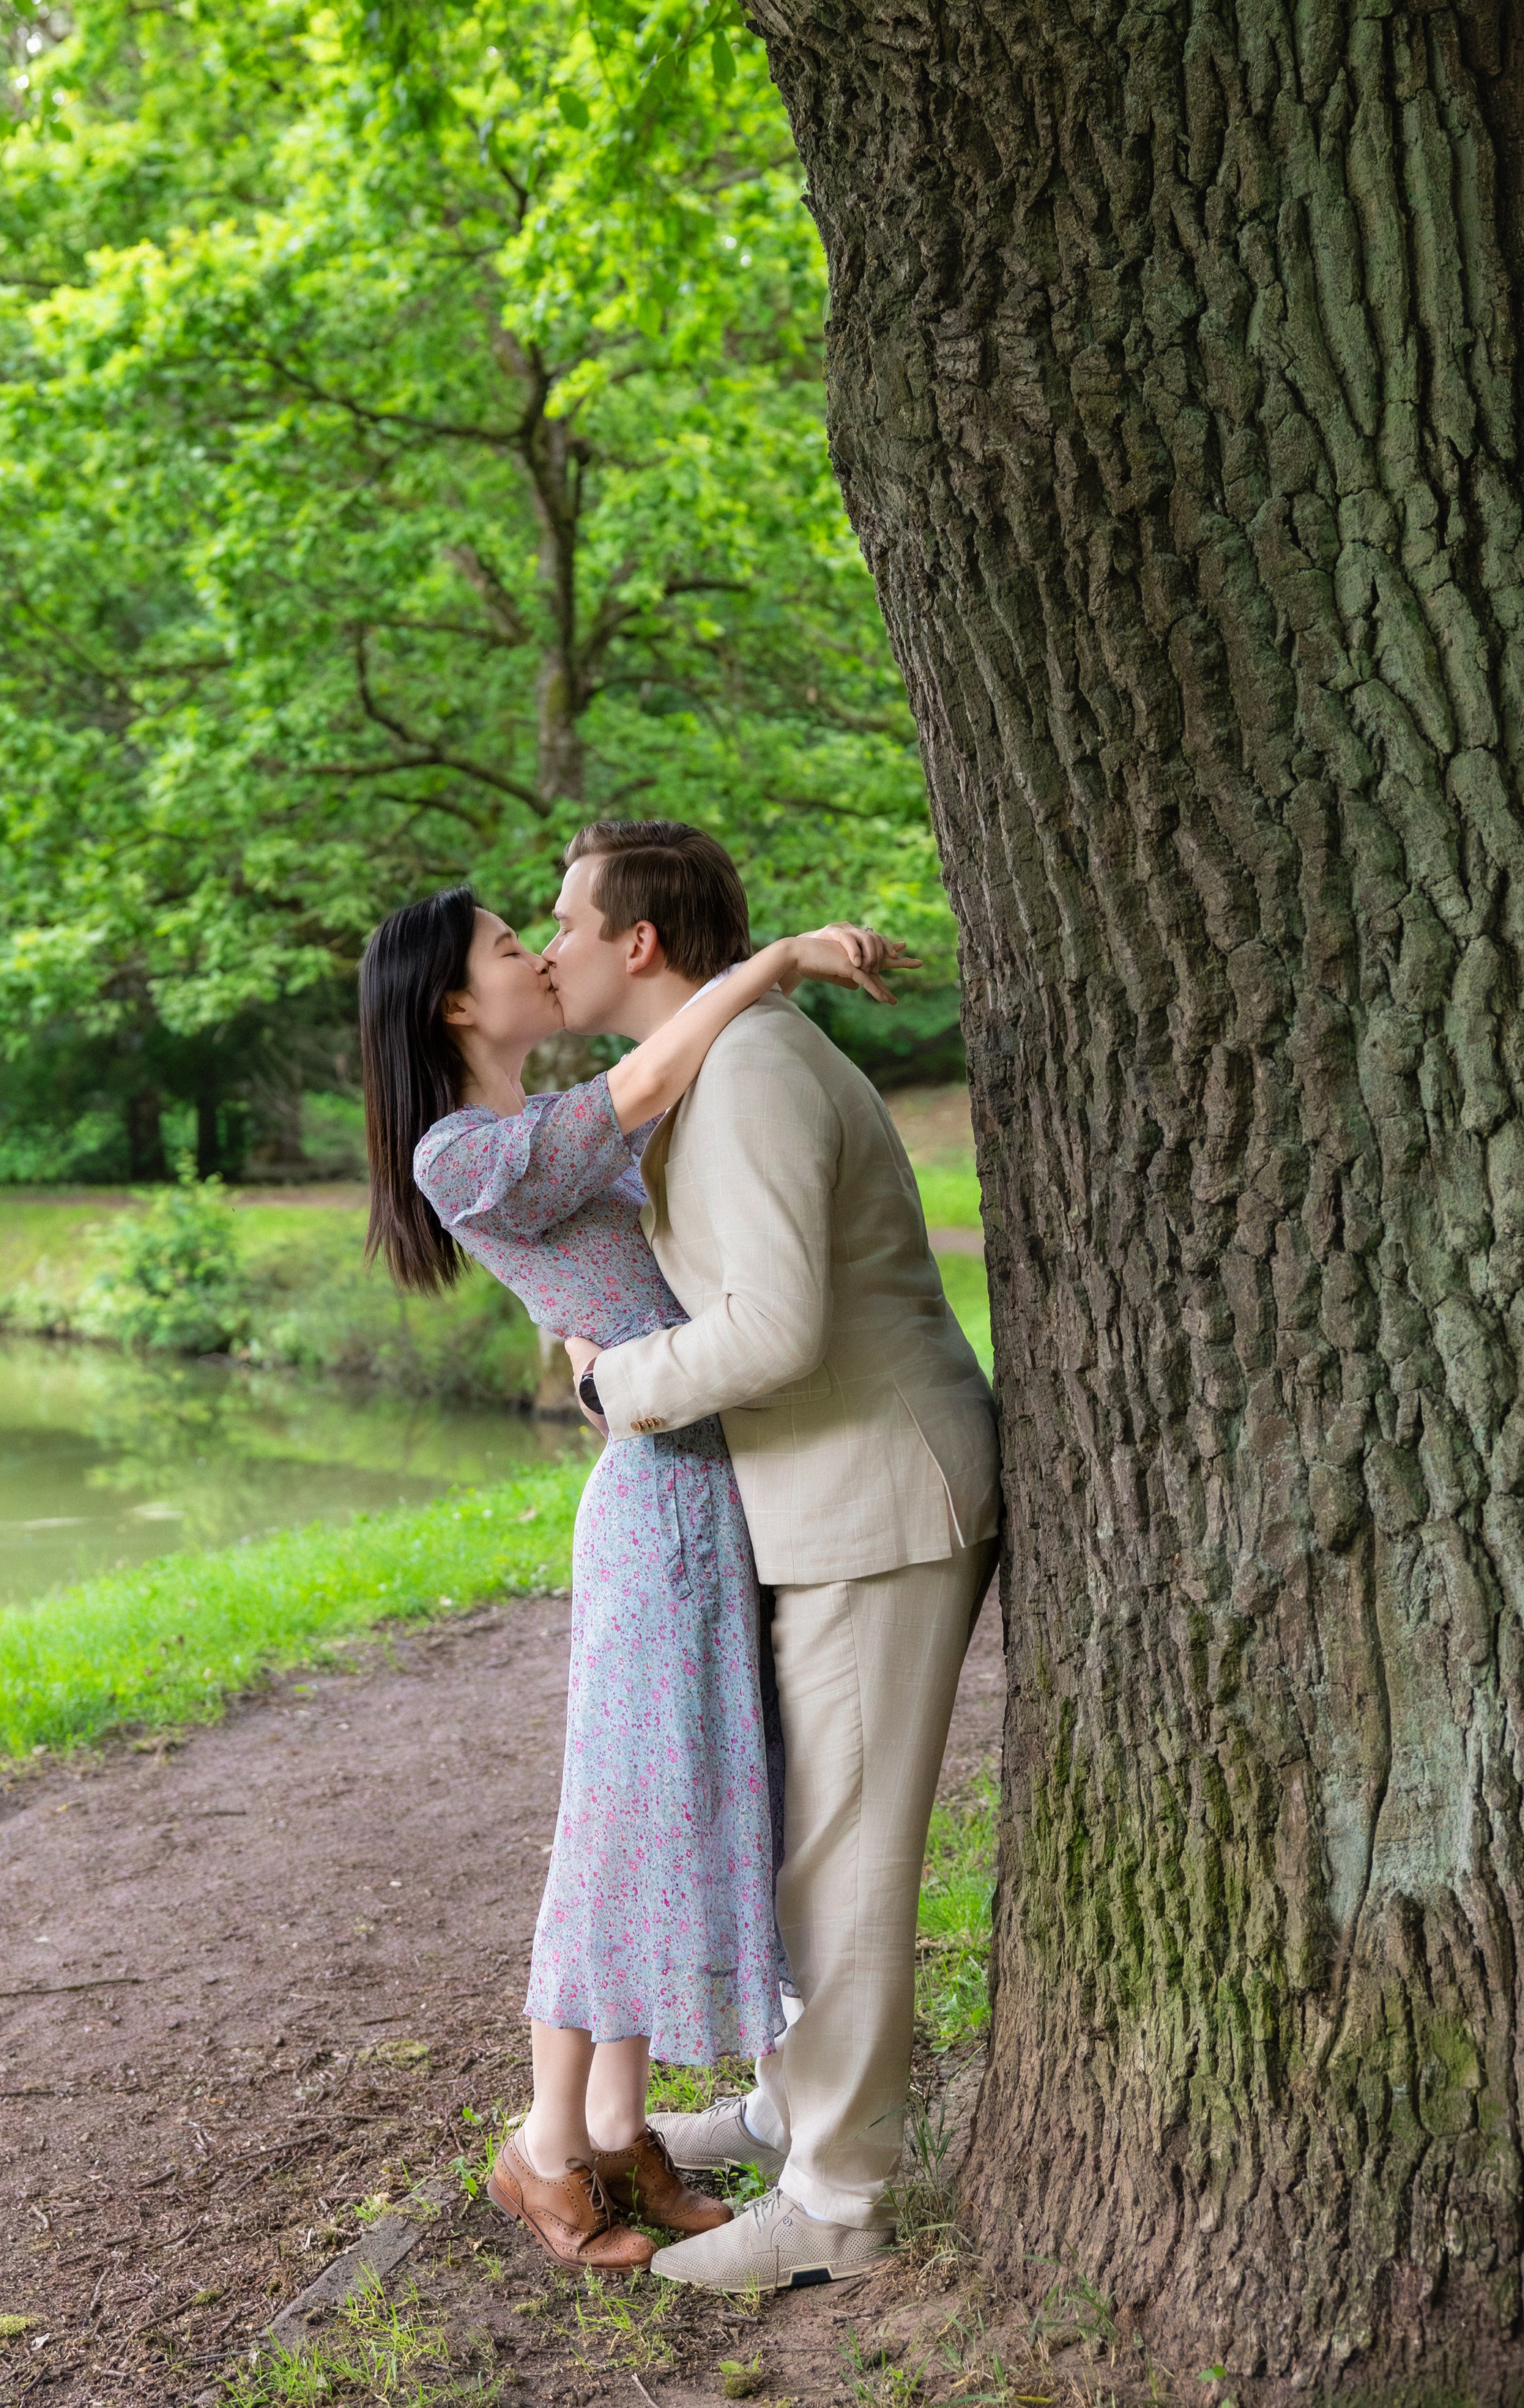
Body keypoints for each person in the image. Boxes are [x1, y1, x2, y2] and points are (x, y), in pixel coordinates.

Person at [359, 877, 912, 2278]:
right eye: (507, 948)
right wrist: (776, 959)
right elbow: (658, 1068)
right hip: (657, 1503)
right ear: (452, 1003)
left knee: (675, 1815)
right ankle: (548, 2151)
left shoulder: (535, 1125)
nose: (539, 956)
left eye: (540, 932)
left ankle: (614, 2122)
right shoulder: (462, 1152)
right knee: (619, 1826)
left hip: (705, 1479)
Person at [547, 820, 1000, 2292]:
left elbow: (774, 1331)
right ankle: (783, 2109)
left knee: (839, 1870)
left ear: (638, 943)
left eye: (565, 920)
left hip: (875, 1503)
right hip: (821, 1503)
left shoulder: (745, 1075)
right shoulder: (714, 1060)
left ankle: (836, 2203)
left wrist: (611, 1384)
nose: (547, 946)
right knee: (793, 1842)